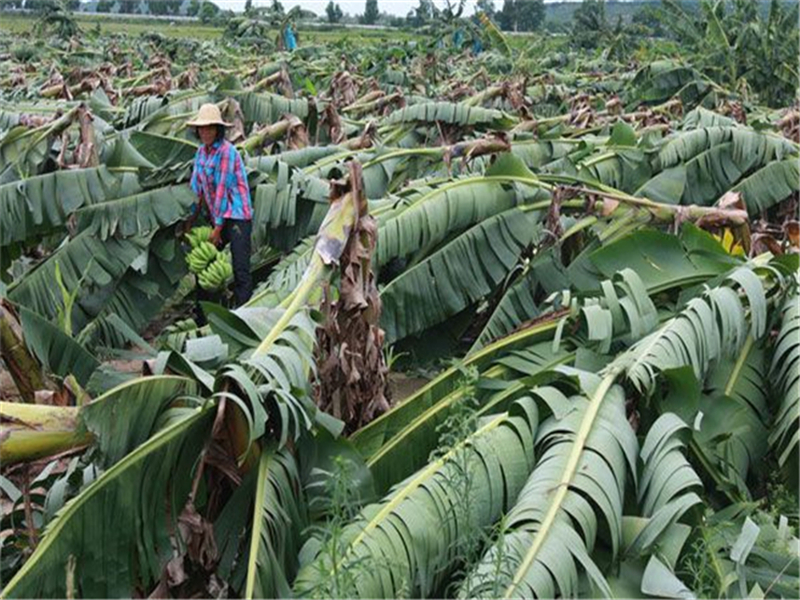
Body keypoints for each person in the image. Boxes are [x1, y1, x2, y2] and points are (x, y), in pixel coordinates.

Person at [185, 103, 253, 310]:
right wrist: (189, 220)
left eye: (210, 128)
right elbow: (196, 189)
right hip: (217, 217)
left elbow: (222, 190)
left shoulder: (226, 152)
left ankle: (244, 314)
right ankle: (203, 316)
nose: (205, 132)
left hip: (237, 215)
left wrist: (217, 228)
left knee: (240, 269)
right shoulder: (200, 153)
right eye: (202, 128)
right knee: (204, 267)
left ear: (218, 129)